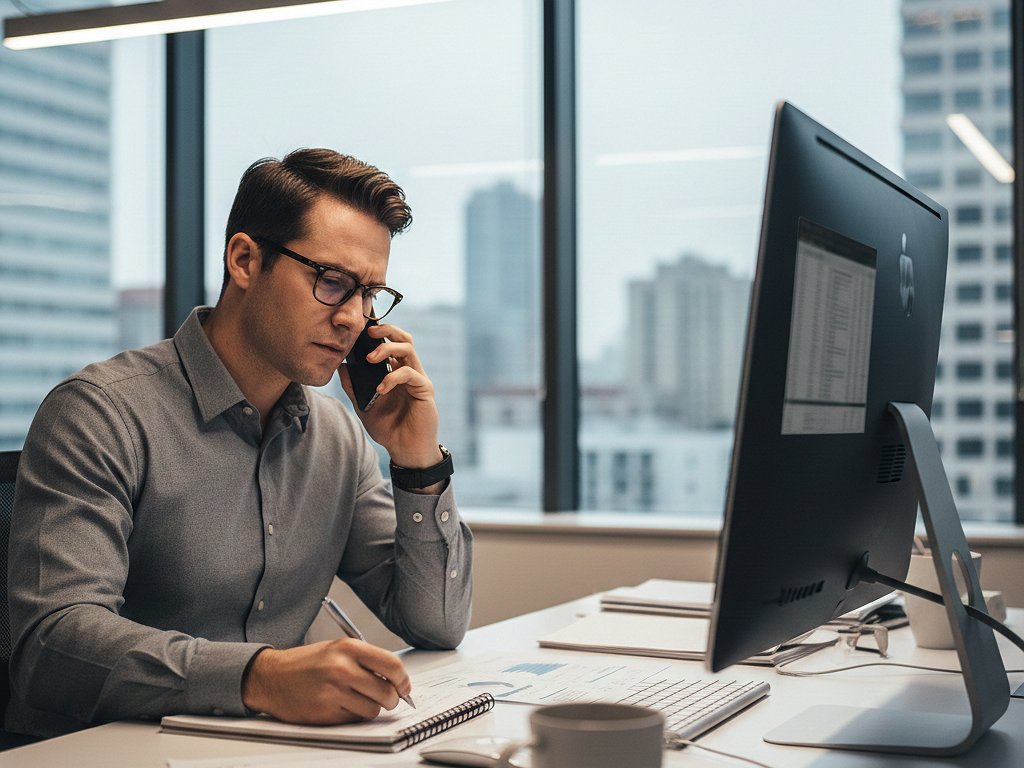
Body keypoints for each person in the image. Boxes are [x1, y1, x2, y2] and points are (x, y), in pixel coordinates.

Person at [6, 149, 473, 738]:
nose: (355, 318)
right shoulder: (100, 413)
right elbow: (53, 645)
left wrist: (416, 461)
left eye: (370, 293)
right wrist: (262, 678)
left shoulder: (337, 436)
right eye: (332, 282)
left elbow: (436, 625)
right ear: (245, 260)